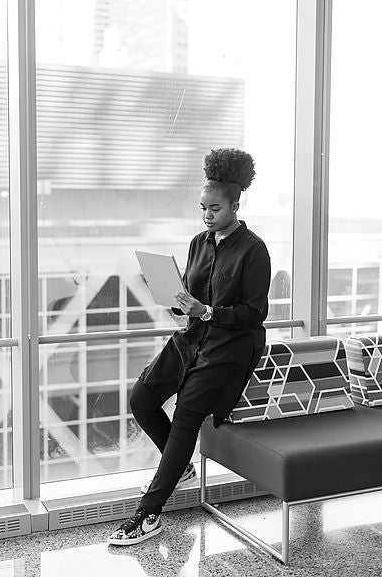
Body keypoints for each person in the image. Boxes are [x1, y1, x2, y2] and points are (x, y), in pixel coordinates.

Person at [108, 148, 271, 546]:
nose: (207, 216)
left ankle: (147, 516)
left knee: (185, 416)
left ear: (235, 204)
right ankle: (178, 467)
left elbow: (254, 313)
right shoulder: (199, 242)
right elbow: (192, 295)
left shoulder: (254, 250)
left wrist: (209, 312)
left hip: (231, 346)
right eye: (202, 208)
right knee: (142, 398)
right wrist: (178, 302)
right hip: (194, 335)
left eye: (215, 208)